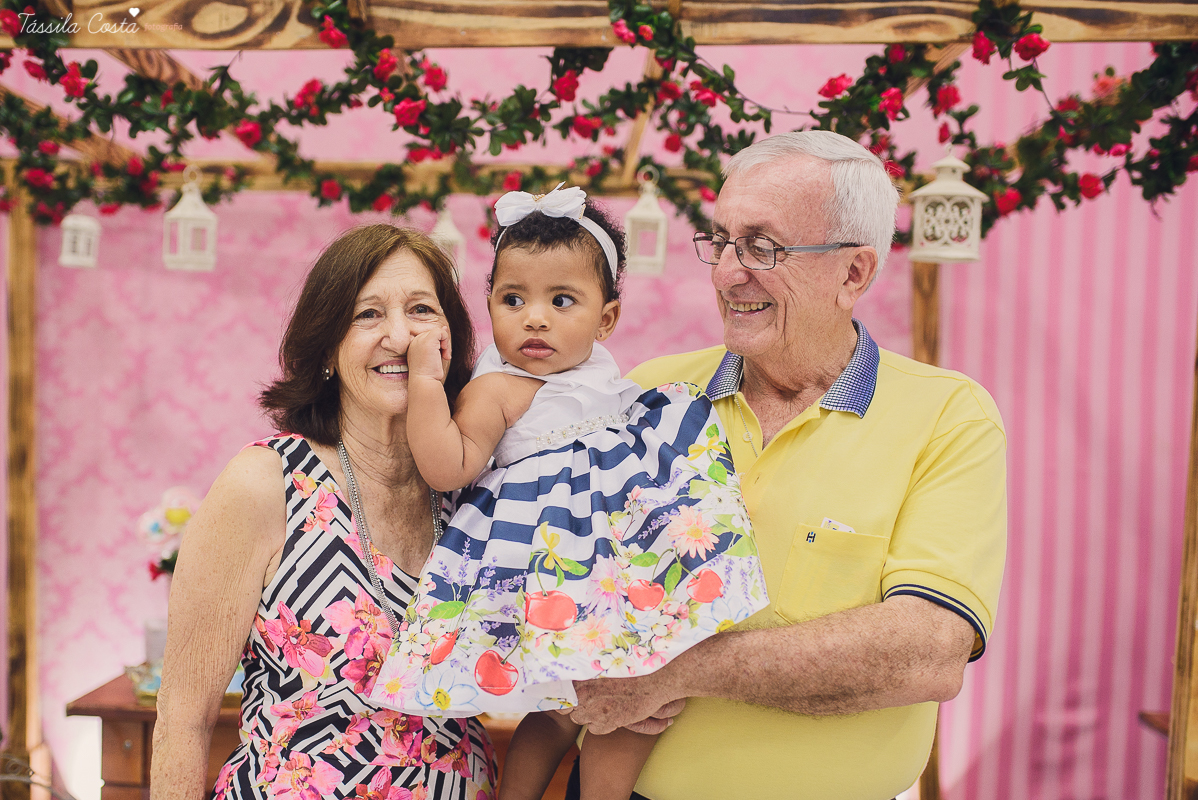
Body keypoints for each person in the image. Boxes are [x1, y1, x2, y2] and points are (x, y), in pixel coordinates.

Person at [561, 130, 1008, 800]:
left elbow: (928, 650)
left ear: (853, 272)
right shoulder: (651, 394)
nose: (726, 272)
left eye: (762, 247)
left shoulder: (950, 416)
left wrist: (672, 668)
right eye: (720, 241)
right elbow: (562, 569)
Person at [367, 185, 767, 800]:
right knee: (556, 712)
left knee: (639, 695)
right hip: (555, 564)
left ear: (605, 319)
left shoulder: (614, 381)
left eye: (561, 300)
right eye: (513, 299)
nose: (534, 318)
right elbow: (450, 466)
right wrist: (426, 383)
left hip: (617, 570)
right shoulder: (499, 389)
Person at [151, 226, 498, 800]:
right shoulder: (266, 483)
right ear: (329, 346)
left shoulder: (475, 487)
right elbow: (183, 721)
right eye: (367, 315)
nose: (399, 335)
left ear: (449, 339)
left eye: (421, 310)